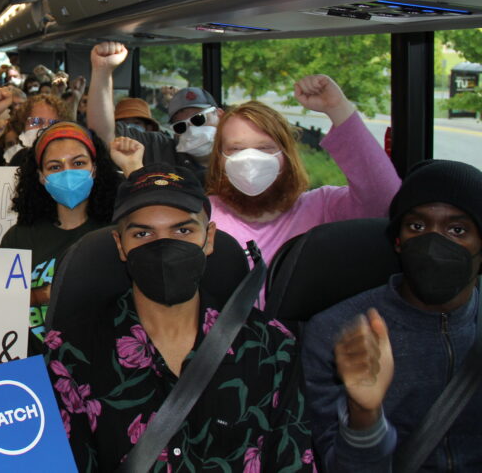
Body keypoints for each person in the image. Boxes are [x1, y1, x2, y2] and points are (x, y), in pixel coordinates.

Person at [46, 163, 315, 472]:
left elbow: (293, 462)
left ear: (209, 237)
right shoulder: (71, 353)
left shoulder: (272, 348)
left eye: (183, 230)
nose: (163, 247)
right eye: (143, 233)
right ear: (121, 246)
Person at [302, 160, 482, 472]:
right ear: (398, 241)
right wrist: (364, 414)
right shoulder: (338, 332)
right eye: (417, 227)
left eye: (456, 229)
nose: (433, 243)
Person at [205, 78, 400, 265]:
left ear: (287, 156)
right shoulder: (202, 214)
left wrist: (338, 108)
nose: (249, 161)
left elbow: (383, 198)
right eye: (236, 150)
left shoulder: (322, 207)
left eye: (265, 149)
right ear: (219, 158)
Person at [0, 121, 143, 352]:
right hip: (36, 367)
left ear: (94, 168)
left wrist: (133, 166)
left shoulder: (119, 232)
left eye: (78, 163)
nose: (68, 173)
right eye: (55, 167)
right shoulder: (19, 238)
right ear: (40, 176)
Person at [88, 42, 222, 181]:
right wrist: (102, 72)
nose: (192, 130)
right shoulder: (159, 150)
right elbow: (103, 136)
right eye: (181, 126)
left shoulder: (240, 154)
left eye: (198, 119)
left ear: (219, 115)